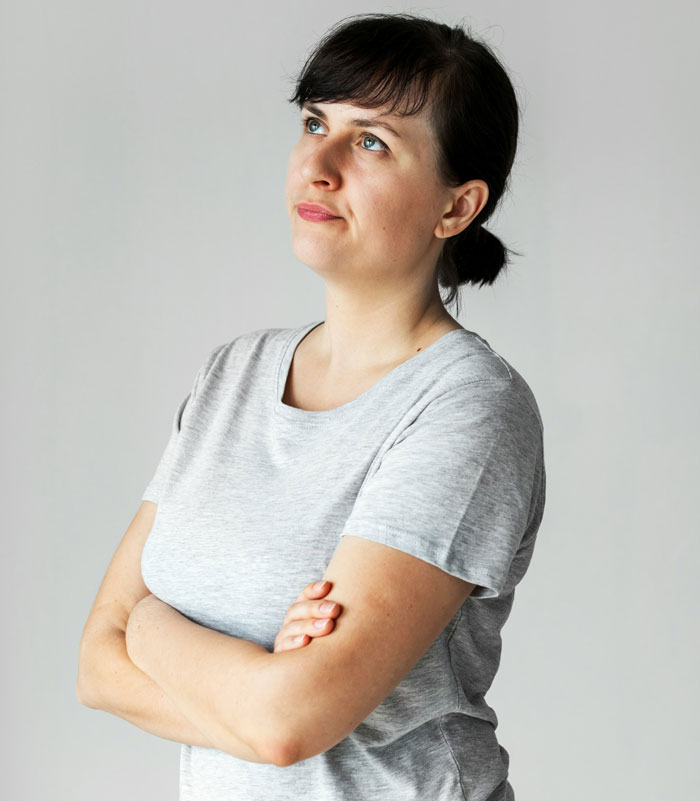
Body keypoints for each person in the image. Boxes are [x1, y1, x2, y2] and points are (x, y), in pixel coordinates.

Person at [77, 11, 546, 801]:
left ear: (457, 207)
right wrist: (260, 688)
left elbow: (290, 721)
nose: (318, 166)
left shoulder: (468, 405)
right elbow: (96, 664)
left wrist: (149, 624)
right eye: (314, 123)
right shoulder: (232, 373)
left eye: (372, 142)